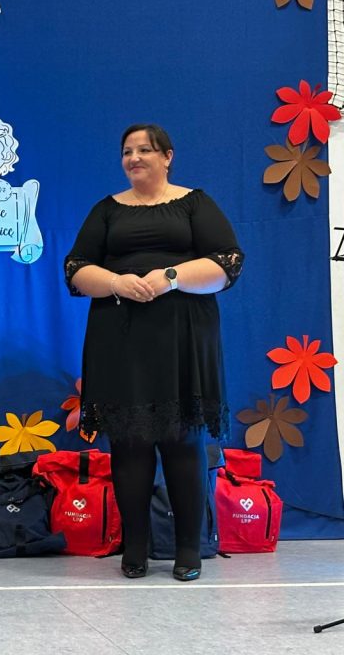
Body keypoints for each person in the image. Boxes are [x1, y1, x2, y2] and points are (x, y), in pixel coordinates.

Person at [64, 123, 243, 582]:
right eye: (127, 151)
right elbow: (75, 269)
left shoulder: (195, 203)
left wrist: (170, 277)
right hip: (119, 338)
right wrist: (116, 282)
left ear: (167, 156)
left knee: (183, 441)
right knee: (129, 444)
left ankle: (188, 550)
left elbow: (227, 263)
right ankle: (136, 550)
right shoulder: (107, 210)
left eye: (144, 150)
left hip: (183, 336)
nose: (134, 158)